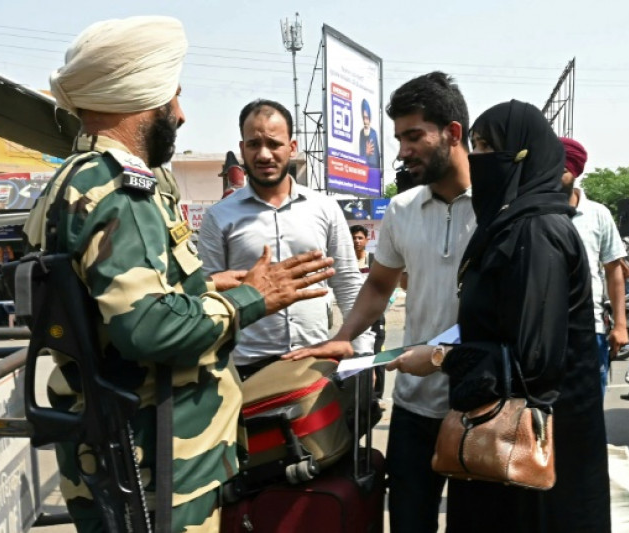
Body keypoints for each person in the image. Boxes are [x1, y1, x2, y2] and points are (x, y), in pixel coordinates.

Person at [23, 16, 336, 532]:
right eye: (173, 100)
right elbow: (149, 326)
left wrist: (208, 287)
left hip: (123, 445)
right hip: (152, 459)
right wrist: (253, 297)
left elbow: (108, 300)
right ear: (142, 101)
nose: (182, 115)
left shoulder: (74, 180)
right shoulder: (120, 192)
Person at [385, 99, 610, 533]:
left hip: (532, 451)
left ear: (524, 156)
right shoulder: (513, 226)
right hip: (505, 442)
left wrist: (437, 359)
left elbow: (534, 364)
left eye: (489, 148)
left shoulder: (538, 232)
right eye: (477, 145)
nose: (478, 160)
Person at [287, 71, 474, 533]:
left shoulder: (501, 209)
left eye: (414, 136)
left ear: (453, 133)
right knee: (410, 522)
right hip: (414, 405)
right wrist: (342, 338)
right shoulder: (402, 209)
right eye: (398, 138)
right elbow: (378, 286)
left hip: (478, 403)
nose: (402, 151)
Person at [198, 99, 374, 381]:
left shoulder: (324, 208)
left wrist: (362, 352)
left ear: (292, 148)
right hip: (246, 370)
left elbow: (348, 283)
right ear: (242, 149)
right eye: (254, 144)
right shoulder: (219, 217)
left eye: (274, 143)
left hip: (316, 363)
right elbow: (206, 293)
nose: (264, 154)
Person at [560, 137, 628, 393]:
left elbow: (614, 271)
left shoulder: (598, 214)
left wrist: (620, 326)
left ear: (576, 171)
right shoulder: (537, 211)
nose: (556, 173)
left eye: (563, 168)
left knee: (589, 412)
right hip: (543, 332)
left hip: (590, 329)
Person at [351, 224, 387, 398]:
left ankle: (377, 396)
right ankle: (359, 394)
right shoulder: (347, 263)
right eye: (354, 238)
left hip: (375, 316)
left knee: (377, 355)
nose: (357, 241)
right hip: (354, 316)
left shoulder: (375, 260)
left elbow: (388, 286)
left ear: (367, 240)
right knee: (358, 356)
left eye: (360, 238)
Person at [359, 99, 381, 168]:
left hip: (373, 169)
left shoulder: (373, 133)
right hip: (363, 169)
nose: (365, 121)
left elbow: (376, 156)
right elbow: (361, 154)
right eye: (364, 118)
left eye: (366, 118)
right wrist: (366, 153)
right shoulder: (361, 133)